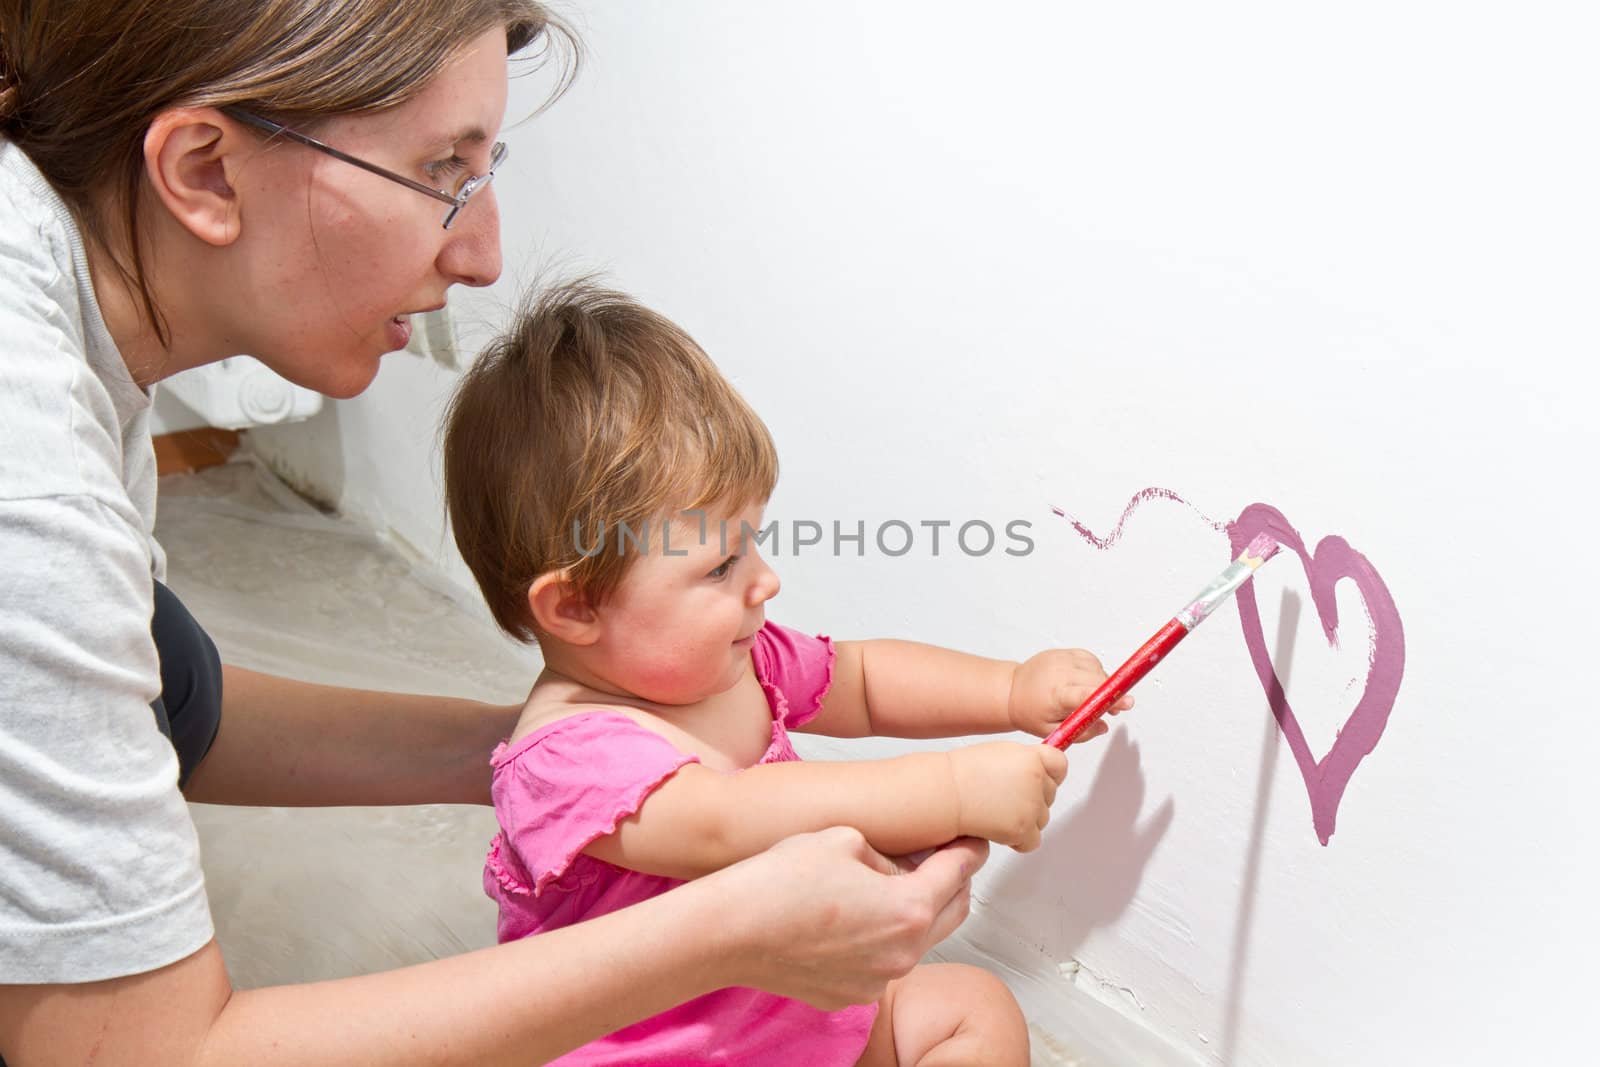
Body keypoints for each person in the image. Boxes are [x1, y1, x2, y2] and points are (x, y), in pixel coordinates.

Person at [0, 4, 1011, 1064]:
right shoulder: (32, 495)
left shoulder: (64, 342)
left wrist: (576, 756)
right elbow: (137, 1050)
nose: (483, 253)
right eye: (442, 170)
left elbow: (158, 704)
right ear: (205, 170)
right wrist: (726, 926)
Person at [440, 283, 1131, 1066]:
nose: (764, 580)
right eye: (721, 563)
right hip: (662, 1053)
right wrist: (953, 790)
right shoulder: (564, 758)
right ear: (575, 606)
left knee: (973, 1008)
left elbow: (863, 680)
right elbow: (726, 817)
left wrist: (1010, 689)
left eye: (754, 541)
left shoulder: (734, 664)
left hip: (807, 1017)